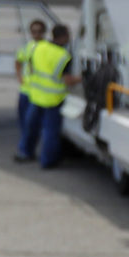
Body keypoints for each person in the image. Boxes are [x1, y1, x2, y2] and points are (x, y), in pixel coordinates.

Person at [16, 24, 80, 167]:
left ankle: (25, 152)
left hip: (36, 95)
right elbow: (68, 80)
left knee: (30, 127)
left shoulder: (39, 47)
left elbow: (28, 65)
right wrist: (82, 78)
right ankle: (48, 161)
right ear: (63, 37)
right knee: (50, 131)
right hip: (53, 99)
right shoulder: (64, 56)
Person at [12, 17, 47, 136]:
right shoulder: (27, 47)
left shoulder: (47, 47)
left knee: (35, 121)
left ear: (44, 32)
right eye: (34, 31)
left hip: (40, 91)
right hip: (26, 89)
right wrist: (19, 76)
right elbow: (18, 61)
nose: (36, 34)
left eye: (39, 31)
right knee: (23, 120)